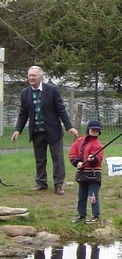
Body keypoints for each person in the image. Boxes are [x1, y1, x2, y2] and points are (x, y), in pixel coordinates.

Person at [11, 65, 80, 195]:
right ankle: (41, 183)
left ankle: (58, 185)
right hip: (37, 131)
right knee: (40, 159)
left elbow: (61, 110)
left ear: (40, 77)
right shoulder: (25, 93)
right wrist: (17, 130)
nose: (31, 78)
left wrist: (69, 126)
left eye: (34, 75)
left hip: (53, 130)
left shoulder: (52, 90)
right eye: (29, 75)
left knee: (57, 158)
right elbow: (23, 114)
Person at [68, 119, 104, 223]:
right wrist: (77, 162)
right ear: (88, 129)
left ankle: (95, 216)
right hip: (82, 175)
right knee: (81, 197)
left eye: (97, 130)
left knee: (93, 196)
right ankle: (81, 216)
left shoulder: (98, 145)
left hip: (94, 176)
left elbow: (99, 158)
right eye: (93, 130)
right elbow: (72, 154)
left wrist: (93, 159)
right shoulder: (78, 142)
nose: (95, 132)